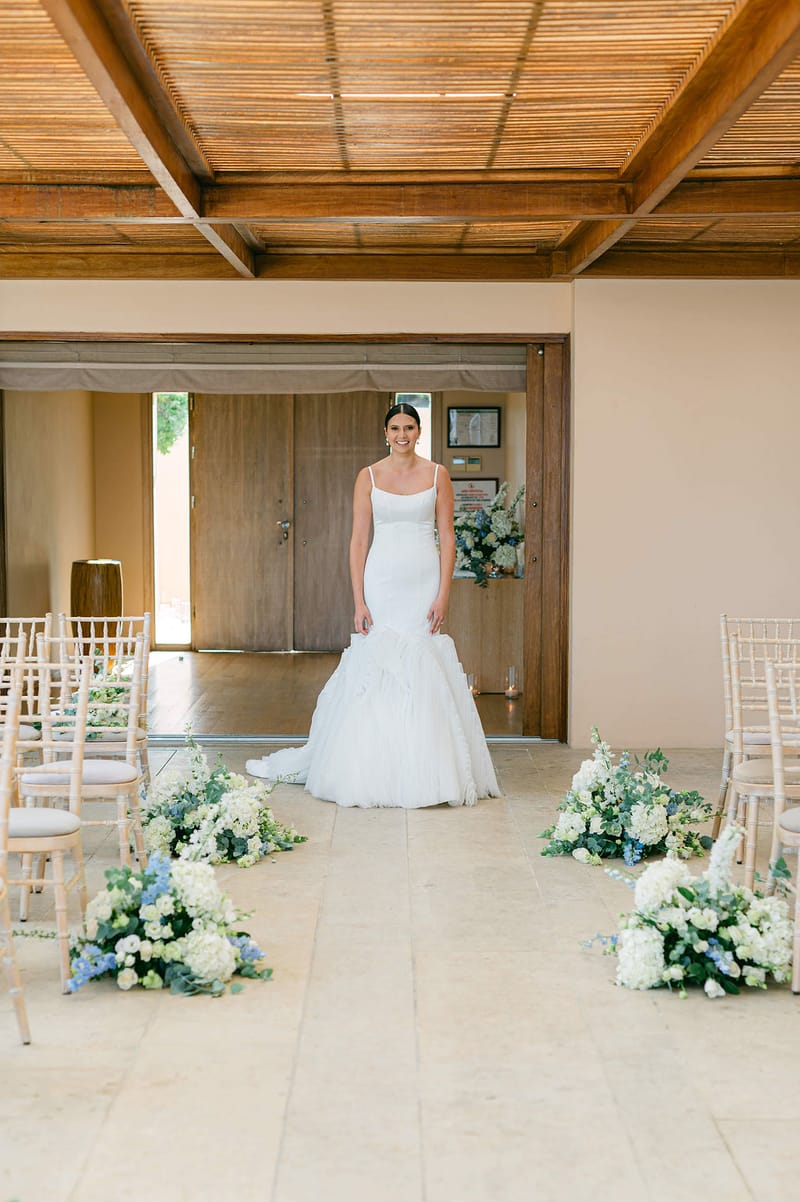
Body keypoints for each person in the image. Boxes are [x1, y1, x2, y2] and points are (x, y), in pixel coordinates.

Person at [246, 402, 500, 808]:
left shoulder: (438, 475)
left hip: (423, 580)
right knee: (378, 663)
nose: (402, 434)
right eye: (395, 427)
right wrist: (358, 599)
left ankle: (425, 770)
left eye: (410, 427)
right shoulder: (367, 476)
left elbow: (448, 538)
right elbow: (358, 540)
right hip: (381, 582)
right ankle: (371, 769)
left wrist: (443, 594)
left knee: (421, 662)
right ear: (386, 432)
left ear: (420, 432)